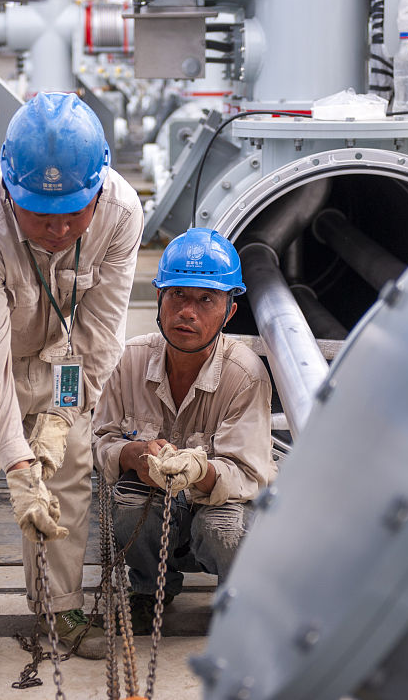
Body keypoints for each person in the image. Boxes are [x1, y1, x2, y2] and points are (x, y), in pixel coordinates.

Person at [0, 92, 143, 688]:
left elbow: (101, 331)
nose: (60, 229)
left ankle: (58, 610)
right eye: (42, 214)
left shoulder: (121, 212)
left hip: (52, 345)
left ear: (98, 189)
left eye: (74, 212)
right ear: (10, 192)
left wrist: (62, 421)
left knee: (66, 470)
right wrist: (16, 461)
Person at [91, 228, 276, 636]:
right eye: (177, 295)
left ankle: (236, 595)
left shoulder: (244, 374)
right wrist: (132, 455)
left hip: (219, 504)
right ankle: (148, 590)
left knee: (222, 530)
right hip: (157, 507)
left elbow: (248, 475)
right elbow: (100, 439)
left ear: (229, 312)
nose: (187, 312)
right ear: (159, 298)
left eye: (206, 299)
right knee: (127, 505)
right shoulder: (130, 361)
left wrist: (198, 470)